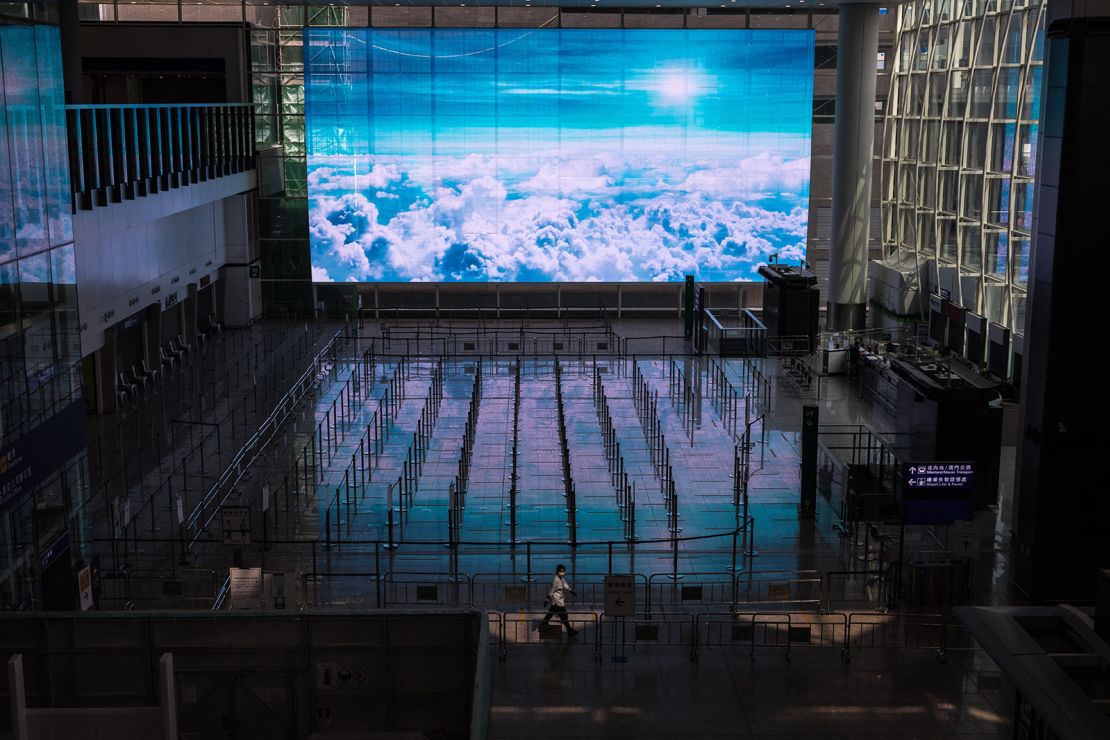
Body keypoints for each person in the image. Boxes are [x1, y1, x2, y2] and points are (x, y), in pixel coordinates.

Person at [539, 564, 577, 636]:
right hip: (557, 601)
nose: (562, 573)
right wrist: (547, 599)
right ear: (557, 571)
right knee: (564, 615)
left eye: (563, 571)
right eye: (561, 571)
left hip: (559, 600)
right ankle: (569, 630)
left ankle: (544, 624)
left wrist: (570, 590)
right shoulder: (556, 580)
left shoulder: (561, 578)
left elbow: (564, 584)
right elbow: (551, 590)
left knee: (552, 612)